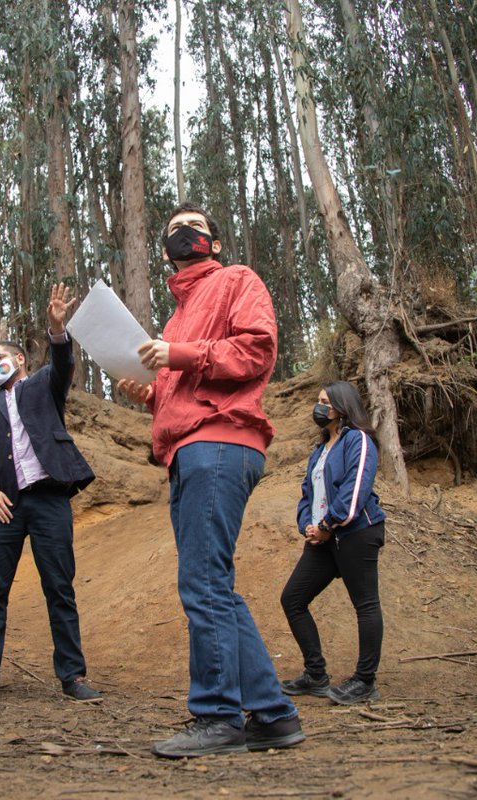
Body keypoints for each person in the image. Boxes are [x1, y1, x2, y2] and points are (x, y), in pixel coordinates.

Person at [117, 203, 304, 758]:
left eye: (194, 227)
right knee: (212, 586)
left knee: (202, 586)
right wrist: (150, 392)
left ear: (215, 242)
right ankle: (272, 715)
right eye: (173, 230)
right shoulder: (176, 316)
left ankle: (218, 715)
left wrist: (179, 353)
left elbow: (256, 350)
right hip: (187, 450)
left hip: (220, 443)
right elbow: (185, 387)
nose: (183, 235)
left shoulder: (237, 280)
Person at [0, 283, 101, 705]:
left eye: (1, 358)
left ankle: (73, 676)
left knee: (59, 587)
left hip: (48, 501)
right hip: (3, 506)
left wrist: (57, 329)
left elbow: (62, 364)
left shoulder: (43, 385)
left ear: (19, 360)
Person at [280, 381, 387, 705]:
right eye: (318, 401)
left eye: (325, 401)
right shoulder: (319, 449)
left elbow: (355, 490)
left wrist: (329, 524)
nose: (319, 407)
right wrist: (309, 527)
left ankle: (365, 681)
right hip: (323, 539)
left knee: (365, 604)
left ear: (342, 406)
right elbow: (306, 496)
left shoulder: (360, 440)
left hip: (356, 533)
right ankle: (316, 675)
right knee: (293, 599)